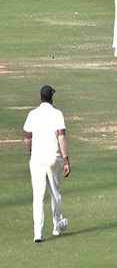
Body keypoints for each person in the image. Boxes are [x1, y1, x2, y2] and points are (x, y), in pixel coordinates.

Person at [23, 85, 71, 243]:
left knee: (38, 196)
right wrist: (66, 160)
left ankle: (38, 233)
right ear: (52, 98)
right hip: (53, 158)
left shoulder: (32, 114)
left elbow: (28, 138)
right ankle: (57, 225)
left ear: (40, 97)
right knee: (55, 193)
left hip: (36, 158)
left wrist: (31, 154)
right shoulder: (57, 113)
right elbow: (61, 137)